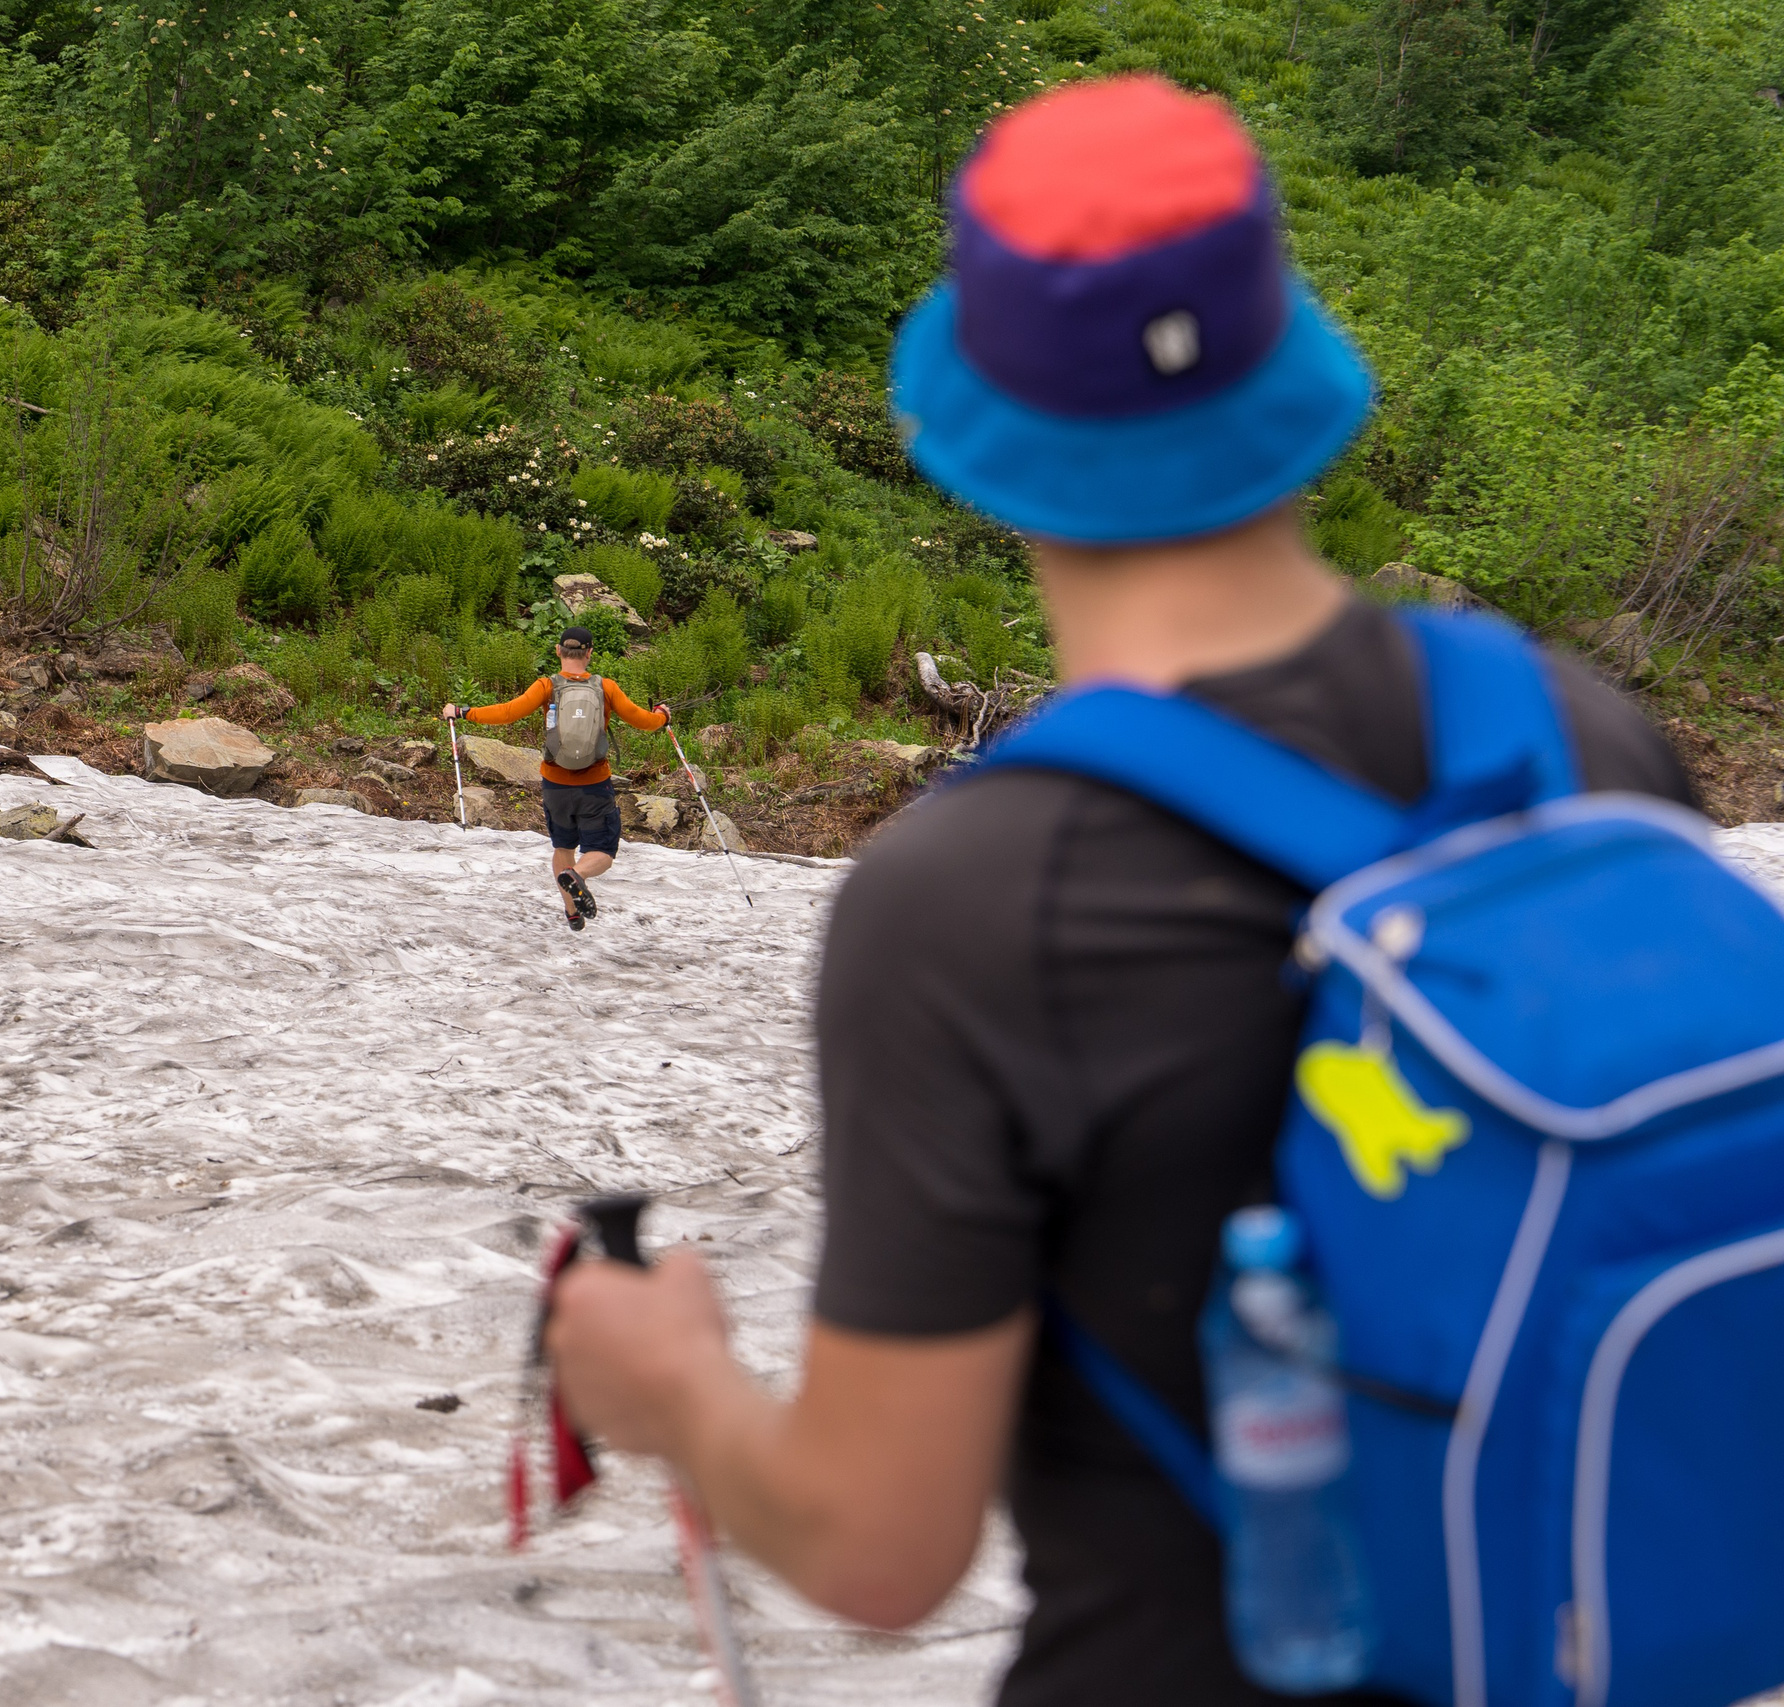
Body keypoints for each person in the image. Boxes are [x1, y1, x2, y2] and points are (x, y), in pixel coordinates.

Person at [543, 74, 1695, 1706]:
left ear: (986, 434)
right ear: (1294, 365)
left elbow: (884, 1545)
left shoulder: (964, 901)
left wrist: (677, 1388)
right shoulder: (1584, 736)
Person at [444, 626, 672, 932]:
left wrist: (462, 711)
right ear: (590, 653)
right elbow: (644, 722)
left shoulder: (546, 686)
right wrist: (662, 715)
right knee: (602, 852)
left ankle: (572, 914)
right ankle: (578, 875)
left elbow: (508, 712)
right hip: (594, 784)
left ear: (558, 651)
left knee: (563, 848)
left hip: (555, 785)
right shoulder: (606, 687)